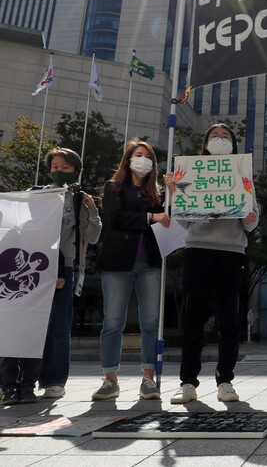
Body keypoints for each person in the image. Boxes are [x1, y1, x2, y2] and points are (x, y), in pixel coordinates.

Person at [0, 148, 102, 405]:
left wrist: (93, 211)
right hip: (26, 266)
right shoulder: (34, 195)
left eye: (65, 168)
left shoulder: (80, 199)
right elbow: (5, 214)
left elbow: (92, 237)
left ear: (76, 171)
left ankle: (53, 381)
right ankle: (4, 382)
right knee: (14, 322)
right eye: (54, 167)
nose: (59, 172)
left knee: (58, 327)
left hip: (64, 267)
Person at [170, 124, 259, 404]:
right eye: (214, 136)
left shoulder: (242, 173)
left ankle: (225, 381)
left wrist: (248, 218)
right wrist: (179, 196)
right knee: (193, 317)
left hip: (232, 251)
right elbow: (181, 220)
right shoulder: (190, 173)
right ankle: (187, 382)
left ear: (233, 144)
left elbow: (252, 221)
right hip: (198, 249)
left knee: (229, 319)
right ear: (205, 143)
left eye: (225, 136)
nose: (219, 139)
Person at [92, 139, 175, 401]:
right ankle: (110, 380)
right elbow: (116, 219)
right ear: (128, 159)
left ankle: (148, 378)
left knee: (150, 322)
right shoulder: (113, 188)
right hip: (118, 263)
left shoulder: (157, 194)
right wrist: (151, 217)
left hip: (149, 263)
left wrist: (174, 193)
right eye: (138, 155)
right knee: (113, 322)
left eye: (148, 156)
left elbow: (170, 219)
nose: (143, 159)